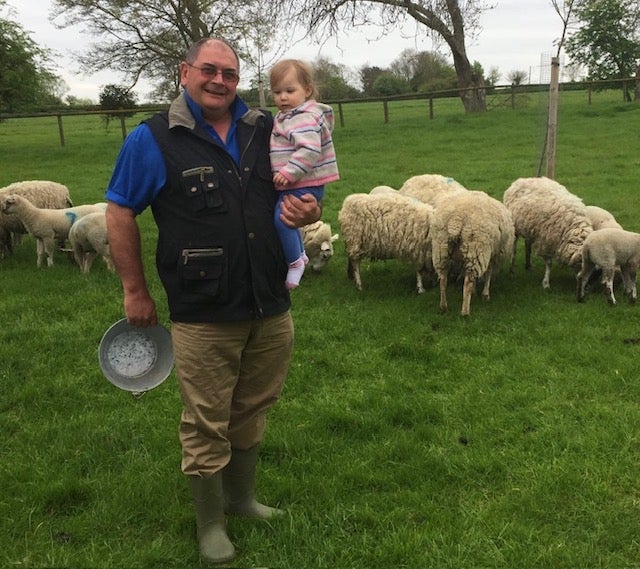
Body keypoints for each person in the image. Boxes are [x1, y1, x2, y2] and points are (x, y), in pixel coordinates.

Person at [104, 38, 321, 564]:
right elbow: (119, 211)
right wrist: (135, 291)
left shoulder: (266, 127)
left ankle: (242, 499)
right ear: (185, 71)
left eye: (230, 72)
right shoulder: (154, 138)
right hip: (202, 309)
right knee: (206, 418)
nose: (220, 80)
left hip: (269, 302)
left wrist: (310, 208)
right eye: (209, 70)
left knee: (253, 405)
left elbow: (307, 187)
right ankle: (210, 524)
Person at [269, 59, 340, 289]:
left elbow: (309, 149)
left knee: (283, 221)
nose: (282, 97)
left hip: (301, 182)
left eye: (290, 91)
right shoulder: (289, 116)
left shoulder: (302, 117)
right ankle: (300, 254)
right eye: (277, 92)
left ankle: (295, 262)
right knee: (288, 220)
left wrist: (289, 173)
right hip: (301, 182)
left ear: (307, 90)